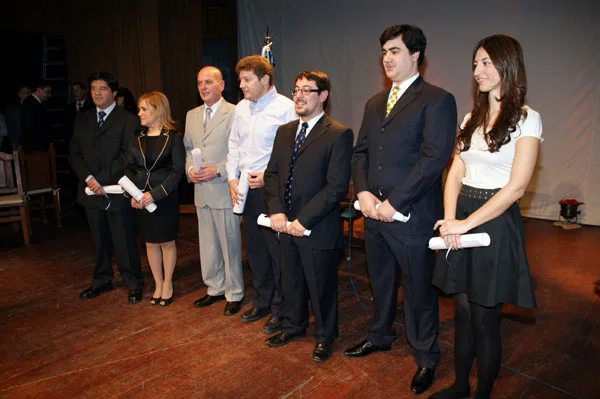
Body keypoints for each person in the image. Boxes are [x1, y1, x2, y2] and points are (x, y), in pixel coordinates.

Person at [346, 24, 457, 395]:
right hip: (374, 213)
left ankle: (426, 357)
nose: (387, 58)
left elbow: (433, 159)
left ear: (415, 56)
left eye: (395, 51)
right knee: (380, 281)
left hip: (411, 216)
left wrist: (394, 202)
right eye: (384, 52)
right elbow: (361, 152)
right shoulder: (374, 103)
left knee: (418, 290)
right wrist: (362, 193)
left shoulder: (437, 100)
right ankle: (379, 335)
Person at [430, 35, 541, 399]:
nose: (478, 71)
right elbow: (456, 172)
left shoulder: (528, 119)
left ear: (507, 66)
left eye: (487, 63)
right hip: (462, 217)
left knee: (484, 318)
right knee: (462, 314)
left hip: (493, 223)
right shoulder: (471, 117)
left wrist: (465, 224)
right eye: (476, 63)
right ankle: (461, 385)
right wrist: (450, 218)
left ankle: (482, 395)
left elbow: (516, 188)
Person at [263, 70, 353, 362]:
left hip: (317, 228)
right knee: (292, 282)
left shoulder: (338, 133)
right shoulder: (285, 131)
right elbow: (273, 174)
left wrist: (304, 220)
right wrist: (276, 210)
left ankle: (326, 337)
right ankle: (293, 325)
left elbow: (336, 187)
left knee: (321, 287)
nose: (299, 96)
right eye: (296, 90)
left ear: (323, 96)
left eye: (307, 90)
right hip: (285, 224)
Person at [226, 55, 296, 331]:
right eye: (240, 80)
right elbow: (234, 146)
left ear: (265, 80)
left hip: (273, 191)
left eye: (247, 80)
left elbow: (292, 155)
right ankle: (262, 301)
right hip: (246, 189)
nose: (241, 85)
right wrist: (232, 178)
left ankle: (281, 308)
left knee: (277, 252)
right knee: (255, 250)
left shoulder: (286, 108)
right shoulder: (241, 108)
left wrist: (267, 177)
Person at [69, 72, 144, 304]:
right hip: (90, 190)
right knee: (99, 240)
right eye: (93, 89)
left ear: (114, 93)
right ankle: (101, 280)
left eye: (102, 88)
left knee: (124, 239)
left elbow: (126, 156)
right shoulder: (82, 118)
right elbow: (74, 153)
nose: (97, 93)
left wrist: (101, 179)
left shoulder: (128, 119)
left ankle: (133, 282)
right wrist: (89, 178)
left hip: (116, 189)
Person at [184, 66, 244, 315]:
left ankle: (235, 293)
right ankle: (214, 288)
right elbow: (188, 148)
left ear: (222, 85)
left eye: (208, 82)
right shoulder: (191, 115)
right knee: (207, 246)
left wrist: (218, 170)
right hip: (201, 191)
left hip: (223, 189)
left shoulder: (235, 113)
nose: (203, 87)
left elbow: (240, 152)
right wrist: (190, 170)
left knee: (230, 245)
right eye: (199, 83)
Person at [124, 91, 185, 306]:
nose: (139, 113)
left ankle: (168, 283)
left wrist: (155, 194)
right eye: (139, 109)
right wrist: (133, 194)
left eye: (144, 109)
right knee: (150, 242)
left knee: (167, 242)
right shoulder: (136, 138)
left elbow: (177, 172)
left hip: (164, 197)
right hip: (141, 198)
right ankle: (157, 283)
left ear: (158, 110)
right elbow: (130, 169)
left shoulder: (173, 137)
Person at [19, 81, 52, 152]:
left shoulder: (34, 103)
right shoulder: (30, 104)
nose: (49, 95)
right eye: (47, 92)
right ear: (39, 90)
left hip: (36, 147)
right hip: (34, 148)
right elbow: (30, 127)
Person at [5, 85, 30, 150]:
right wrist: (14, 143)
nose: (28, 95)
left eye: (29, 93)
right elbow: (11, 127)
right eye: (26, 93)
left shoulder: (35, 108)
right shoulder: (13, 109)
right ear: (19, 94)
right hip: (18, 143)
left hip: (33, 142)